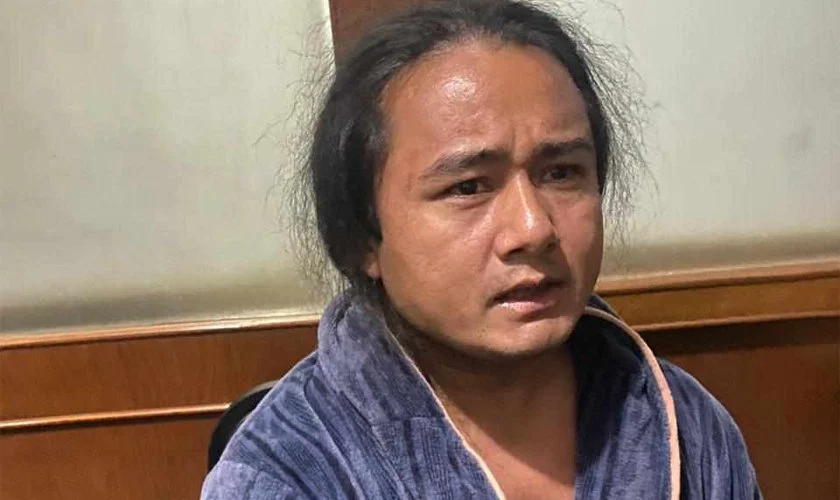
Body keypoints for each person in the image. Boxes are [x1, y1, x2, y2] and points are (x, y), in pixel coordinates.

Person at [202, 0, 761, 498]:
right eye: (468, 186)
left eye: (562, 172)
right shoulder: (284, 475)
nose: (533, 228)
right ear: (362, 235)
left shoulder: (683, 425)